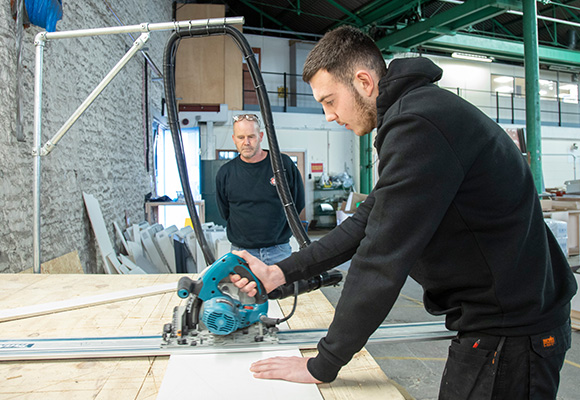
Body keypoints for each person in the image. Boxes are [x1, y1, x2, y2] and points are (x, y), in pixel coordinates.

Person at [231, 26, 578, 398]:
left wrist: (323, 363)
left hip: (511, 334)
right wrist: (280, 272)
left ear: (364, 82)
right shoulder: (418, 115)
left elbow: (382, 255)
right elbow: (367, 221)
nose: (328, 116)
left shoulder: (419, 124)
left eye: (330, 101)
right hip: (507, 324)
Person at [216, 113, 305, 265]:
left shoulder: (283, 165)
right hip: (241, 254)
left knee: (283, 289)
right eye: (241, 137)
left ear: (261, 136)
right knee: (245, 289)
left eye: (251, 136)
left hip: (278, 251)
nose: (246, 142)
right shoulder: (226, 173)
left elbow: (298, 202)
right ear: (234, 139)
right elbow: (225, 211)